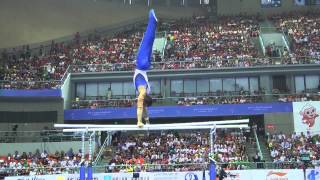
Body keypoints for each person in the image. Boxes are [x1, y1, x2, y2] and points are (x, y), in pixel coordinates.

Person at [133, 9, 158, 127]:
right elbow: (141, 106)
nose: (143, 106)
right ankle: (152, 20)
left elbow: (143, 108)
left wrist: (146, 121)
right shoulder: (142, 91)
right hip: (141, 64)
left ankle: (153, 22)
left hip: (145, 65)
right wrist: (140, 121)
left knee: (150, 41)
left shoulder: (145, 93)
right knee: (147, 40)